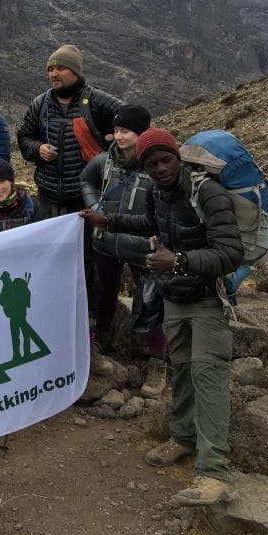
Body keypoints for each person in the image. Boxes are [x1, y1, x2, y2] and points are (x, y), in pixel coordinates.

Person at [82, 127, 243, 506]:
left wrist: (180, 261)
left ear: (177, 157)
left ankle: (214, 472)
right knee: (183, 369)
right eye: (151, 163)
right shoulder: (158, 192)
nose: (159, 168)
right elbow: (152, 224)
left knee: (209, 376)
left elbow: (230, 253)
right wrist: (110, 221)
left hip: (208, 300)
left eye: (165, 160)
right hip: (174, 297)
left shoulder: (208, 193)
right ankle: (184, 438)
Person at [16, 44, 122, 319]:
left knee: (90, 259)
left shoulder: (96, 101)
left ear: (75, 71)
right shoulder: (40, 104)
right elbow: (24, 137)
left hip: (86, 197)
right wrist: (36, 149)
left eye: (60, 68)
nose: (54, 73)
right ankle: (53, 312)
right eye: (50, 69)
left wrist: (112, 144)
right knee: (50, 256)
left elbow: (130, 121)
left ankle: (93, 320)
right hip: (48, 196)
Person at [79, 104, 167, 391]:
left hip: (143, 248)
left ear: (141, 134)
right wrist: (94, 206)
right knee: (102, 295)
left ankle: (158, 362)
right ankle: (102, 343)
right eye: (116, 130)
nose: (119, 136)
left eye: (125, 131)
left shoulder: (156, 166)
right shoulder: (105, 161)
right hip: (105, 244)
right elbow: (86, 179)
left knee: (150, 303)